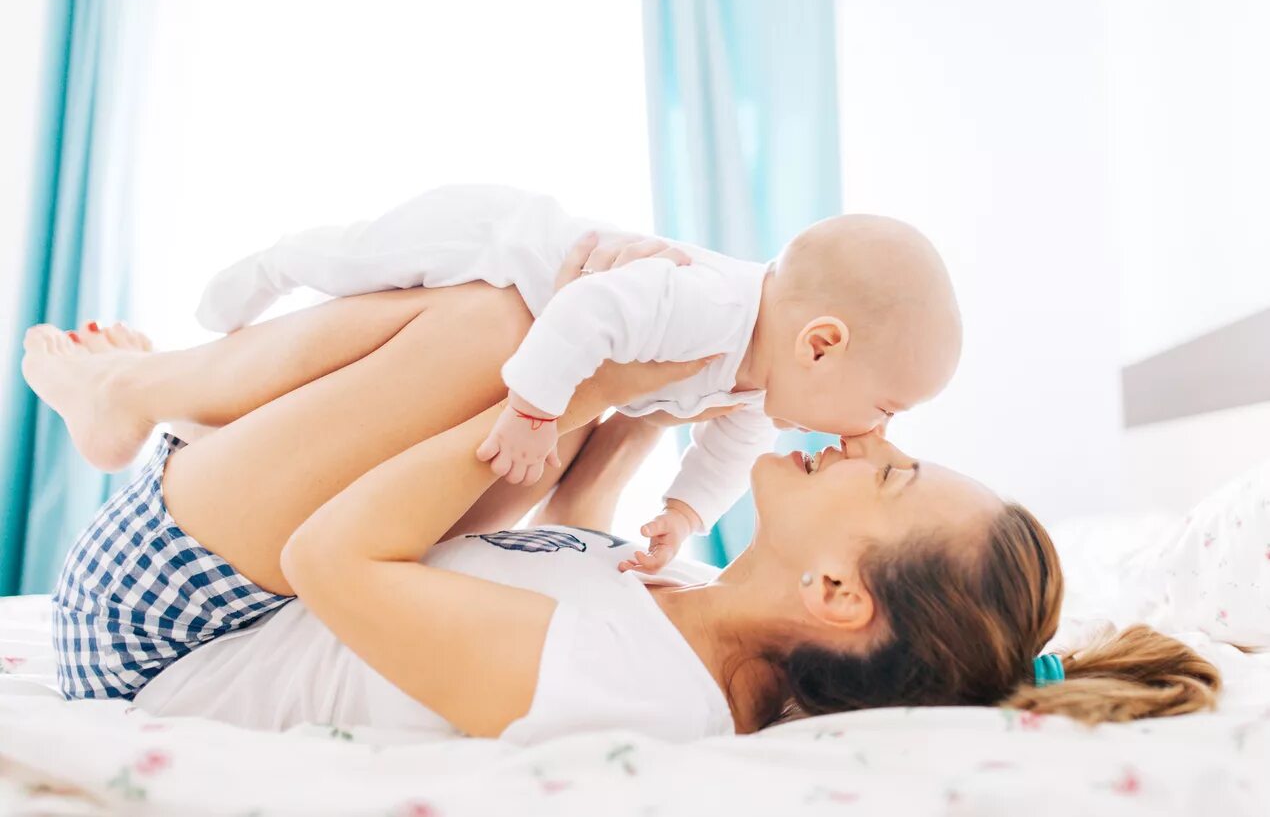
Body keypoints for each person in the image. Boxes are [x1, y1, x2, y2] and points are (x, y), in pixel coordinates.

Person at [22, 265, 1218, 740]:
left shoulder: (631, 690)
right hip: (247, 588)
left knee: (501, 333)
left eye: (891, 471)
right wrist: (629, 415)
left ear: (837, 591)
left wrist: (576, 386)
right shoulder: (690, 617)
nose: (865, 438)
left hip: (162, 638)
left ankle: (130, 398)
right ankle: (142, 394)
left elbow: (333, 557)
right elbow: (525, 543)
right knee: (515, 336)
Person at [192, 185, 962, 571]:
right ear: (821, 345)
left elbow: (727, 452)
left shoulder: (761, 388)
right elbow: (586, 311)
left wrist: (684, 516)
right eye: (885, 407)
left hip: (507, 319)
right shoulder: (706, 305)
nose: (876, 431)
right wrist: (532, 413)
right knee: (360, 263)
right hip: (498, 244)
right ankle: (274, 265)